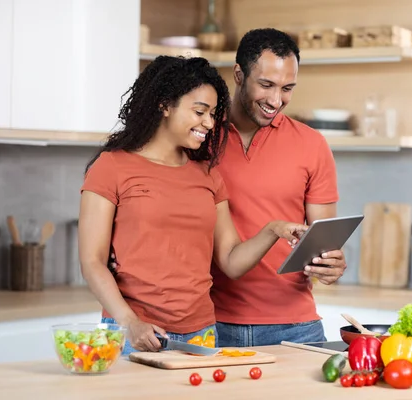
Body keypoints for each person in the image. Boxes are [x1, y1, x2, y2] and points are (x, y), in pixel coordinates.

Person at [78, 55, 308, 355]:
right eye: (200, 111)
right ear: (165, 105)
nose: (209, 123)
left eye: (213, 113)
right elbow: (92, 261)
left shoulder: (208, 175)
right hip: (134, 334)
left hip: (201, 334)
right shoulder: (111, 167)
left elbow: (230, 261)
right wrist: (129, 322)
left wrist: (273, 230)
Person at [210, 28, 348, 347]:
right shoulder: (200, 137)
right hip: (210, 323)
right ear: (238, 75)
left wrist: (332, 264)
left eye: (287, 88)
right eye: (266, 85)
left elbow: (322, 240)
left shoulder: (312, 145)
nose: (276, 100)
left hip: (295, 327)